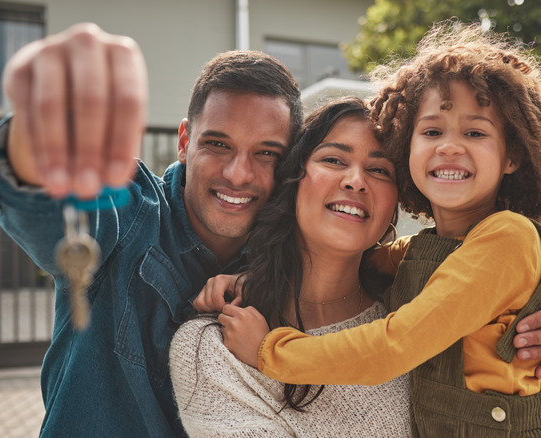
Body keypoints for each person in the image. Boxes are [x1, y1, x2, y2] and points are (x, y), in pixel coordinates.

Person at [0, 22, 541, 437]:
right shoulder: (143, 231)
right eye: (217, 144)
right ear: (185, 141)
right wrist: (41, 132)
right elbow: (55, 209)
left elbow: (435, 293)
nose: (240, 172)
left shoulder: (404, 298)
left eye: (267, 153)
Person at [217, 22, 541, 436]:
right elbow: (349, 262)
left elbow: (395, 346)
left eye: (475, 132)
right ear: (406, 148)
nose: (449, 146)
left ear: (513, 156)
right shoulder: (426, 249)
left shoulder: (509, 237)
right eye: (431, 131)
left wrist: (270, 352)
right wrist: (252, 279)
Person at [170, 98, 413, 436]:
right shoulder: (211, 349)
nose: (356, 181)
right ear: (292, 181)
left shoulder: (419, 318)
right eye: (333, 160)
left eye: (379, 170)